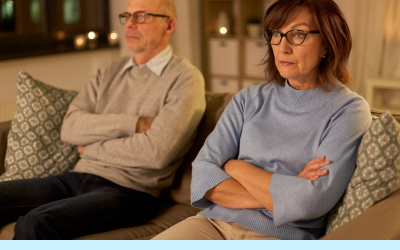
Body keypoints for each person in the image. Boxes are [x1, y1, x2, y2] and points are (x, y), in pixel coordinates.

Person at [152, 0, 371, 240]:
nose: (282, 47)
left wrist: (235, 167)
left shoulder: (349, 110)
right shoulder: (247, 100)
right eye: (276, 34)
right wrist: (287, 192)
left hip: (281, 236)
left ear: (327, 44)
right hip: (213, 224)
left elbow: (309, 203)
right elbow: (203, 177)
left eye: (298, 35)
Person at [0, 0, 206, 240]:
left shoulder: (186, 78)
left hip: (130, 191)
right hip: (75, 177)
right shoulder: (108, 72)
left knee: (36, 223)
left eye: (140, 16)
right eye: (126, 16)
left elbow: (156, 153)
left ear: (169, 25)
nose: (129, 24)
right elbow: (70, 129)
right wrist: (134, 123)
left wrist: (92, 147)